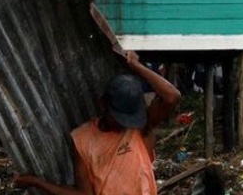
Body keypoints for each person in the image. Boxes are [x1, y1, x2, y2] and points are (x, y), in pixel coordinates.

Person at [14, 50, 181, 195]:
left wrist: (136, 65)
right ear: (103, 105)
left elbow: (172, 96)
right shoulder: (82, 139)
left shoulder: (141, 126)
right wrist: (36, 182)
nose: (124, 124)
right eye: (118, 118)